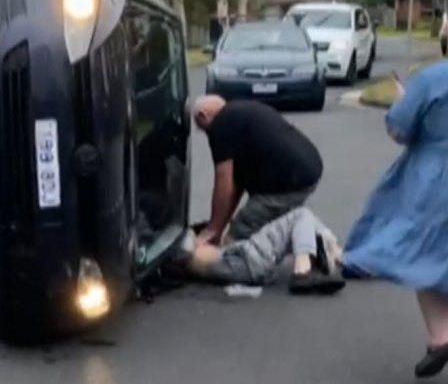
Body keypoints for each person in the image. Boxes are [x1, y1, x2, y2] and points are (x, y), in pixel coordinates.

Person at [341, 62, 448, 379]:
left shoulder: (431, 79)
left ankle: (441, 336)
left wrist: (403, 100)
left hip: (433, 180)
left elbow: (398, 129)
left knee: (422, 254)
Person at [192, 96, 324, 247]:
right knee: (278, 225)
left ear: (203, 115)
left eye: (201, 128)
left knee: (238, 235)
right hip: (307, 170)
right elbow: (235, 187)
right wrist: (218, 227)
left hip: (288, 182)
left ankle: (313, 245)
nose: (206, 133)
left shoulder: (221, 125)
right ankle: (312, 243)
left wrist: (213, 229)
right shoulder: (240, 114)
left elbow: (224, 184)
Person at [174, 207, 345, 294]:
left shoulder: (171, 247)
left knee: (304, 218)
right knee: (301, 215)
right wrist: (192, 234)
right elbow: (184, 249)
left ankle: (328, 249)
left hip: (247, 260)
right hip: (249, 259)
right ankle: (304, 270)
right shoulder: (176, 248)